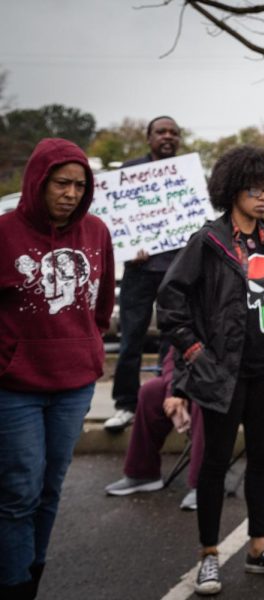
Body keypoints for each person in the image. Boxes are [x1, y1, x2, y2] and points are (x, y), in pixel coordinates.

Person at [156, 145, 264, 595]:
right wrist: (196, 352)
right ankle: (208, 556)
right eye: (253, 189)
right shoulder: (209, 242)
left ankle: (259, 548)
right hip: (220, 376)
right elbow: (171, 301)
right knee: (215, 466)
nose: (263, 198)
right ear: (232, 190)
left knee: (261, 460)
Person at [0, 139, 115, 599]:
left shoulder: (97, 232)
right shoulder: (5, 233)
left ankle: (32, 577)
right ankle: (12, 584)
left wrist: (87, 348)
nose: (70, 192)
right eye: (61, 182)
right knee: (18, 493)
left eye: (79, 185)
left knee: (49, 491)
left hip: (74, 386)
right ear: (38, 181)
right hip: (15, 387)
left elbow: (102, 307)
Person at [105, 116, 182, 432]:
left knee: (172, 340)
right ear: (149, 137)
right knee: (130, 340)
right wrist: (127, 248)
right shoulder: (129, 171)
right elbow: (115, 220)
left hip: (175, 271)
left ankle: (163, 400)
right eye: (161, 132)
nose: (167, 136)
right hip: (138, 270)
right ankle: (125, 405)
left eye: (173, 133)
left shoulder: (186, 174)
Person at [104, 347, 204, 511]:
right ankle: (143, 473)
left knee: (205, 399)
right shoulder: (190, 322)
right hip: (192, 381)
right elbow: (173, 358)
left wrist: (183, 391)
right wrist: (175, 390)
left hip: (229, 384)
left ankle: (204, 485)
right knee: (151, 392)